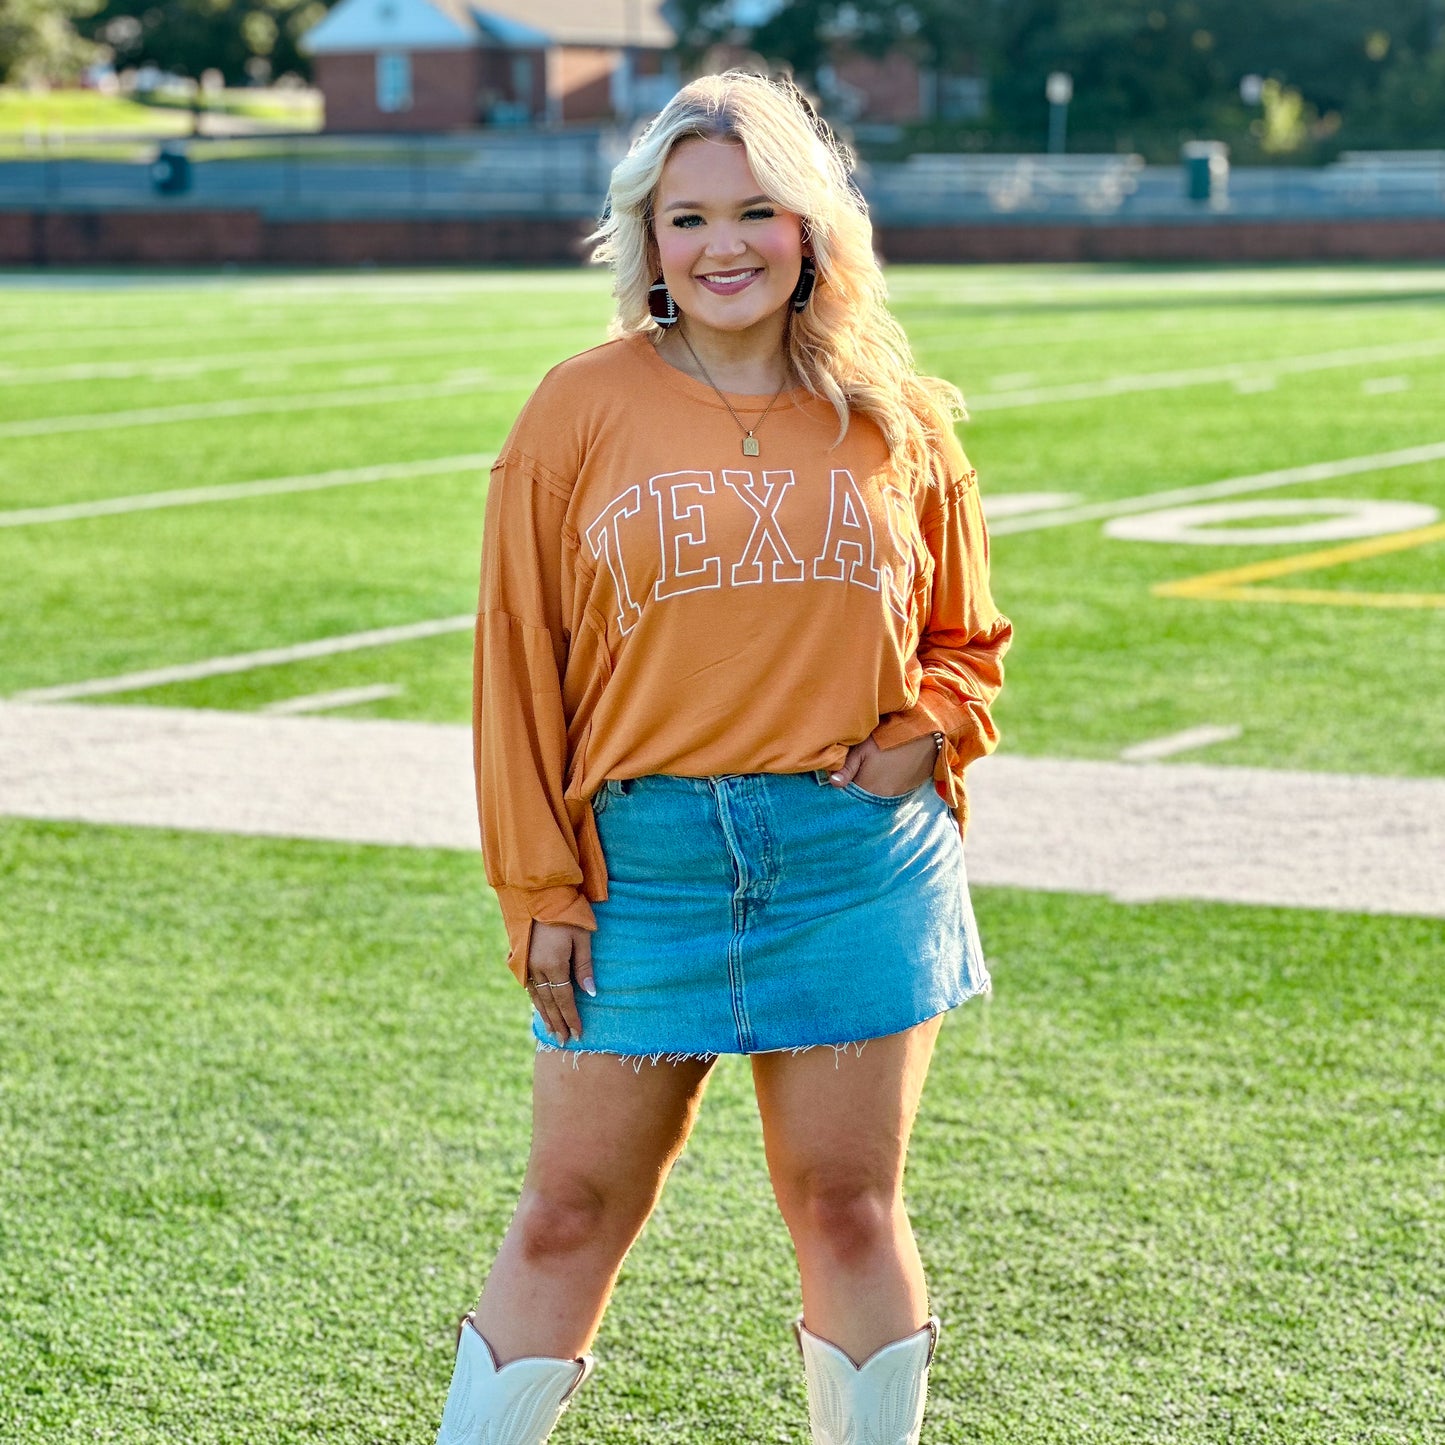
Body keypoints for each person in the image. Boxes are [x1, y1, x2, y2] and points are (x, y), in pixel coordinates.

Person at [435, 70, 1012, 1445]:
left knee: (847, 1205)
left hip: (851, 861)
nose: (724, 246)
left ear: (812, 228)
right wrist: (541, 888)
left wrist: (922, 733)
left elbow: (966, 637)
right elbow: (518, 663)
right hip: (643, 869)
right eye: (687, 218)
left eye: (758, 209)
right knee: (567, 1210)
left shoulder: (895, 416)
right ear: (645, 241)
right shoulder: (575, 412)